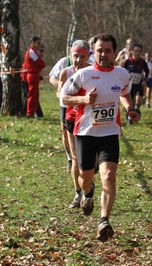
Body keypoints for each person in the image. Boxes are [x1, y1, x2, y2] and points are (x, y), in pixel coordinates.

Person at [61, 33, 140, 242]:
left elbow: (124, 93)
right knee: (85, 177)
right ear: (92, 52)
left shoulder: (122, 74)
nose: (103, 54)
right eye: (99, 50)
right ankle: (87, 192)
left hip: (109, 133)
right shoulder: (84, 74)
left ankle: (104, 220)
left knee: (109, 175)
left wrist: (130, 108)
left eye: (107, 50)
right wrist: (84, 99)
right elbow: (64, 96)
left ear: (114, 52)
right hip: (86, 133)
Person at [57, 40, 91, 209]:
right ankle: (79, 193)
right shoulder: (66, 72)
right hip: (71, 117)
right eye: (75, 56)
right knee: (76, 159)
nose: (78, 60)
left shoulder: (93, 71)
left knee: (91, 160)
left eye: (82, 56)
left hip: (92, 120)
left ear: (88, 56)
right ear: (71, 55)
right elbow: (61, 94)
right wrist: (74, 99)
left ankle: (86, 182)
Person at [50, 38, 81, 173]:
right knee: (65, 130)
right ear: (70, 49)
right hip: (65, 102)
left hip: (81, 102)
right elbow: (52, 77)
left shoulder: (88, 64)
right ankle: (70, 157)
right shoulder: (65, 62)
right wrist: (63, 88)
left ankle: (82, 157)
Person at [123, 43, 149, 124]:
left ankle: (136, 109)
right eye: (136, 51)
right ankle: (129, 118)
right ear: (132, 51)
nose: (137, 53)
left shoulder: (143, 62)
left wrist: (145, 80)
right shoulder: (127, 62)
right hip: (129, 86)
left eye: (139, 51)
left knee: (138, 101)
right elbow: (122, 72)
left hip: (138, 85)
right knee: (129, 104)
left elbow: (147, 72)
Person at [24, 36, 45, 117]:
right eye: (38, 43)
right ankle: (30, 112)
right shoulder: (31, 52)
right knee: (32, 95)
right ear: (33, 42)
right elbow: (39, 62)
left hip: (34, 74)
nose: (39, 45)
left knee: (35, 94)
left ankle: (33, 111)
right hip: (32, 74)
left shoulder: (33, 51)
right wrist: (42, 65)